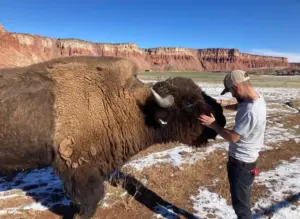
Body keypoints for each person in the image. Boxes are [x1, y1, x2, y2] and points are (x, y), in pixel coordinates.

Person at [198, 70, 266, 219]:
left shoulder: (251, 111)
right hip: (248, 162)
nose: (232, 95)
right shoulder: (257, 98)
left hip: (241, 164)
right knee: (243, 199)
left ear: (236, 88)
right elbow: (239, 105)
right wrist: (221, 104)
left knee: (241, 208)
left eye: (231, 92)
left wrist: (213, 124)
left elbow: (233, 137)